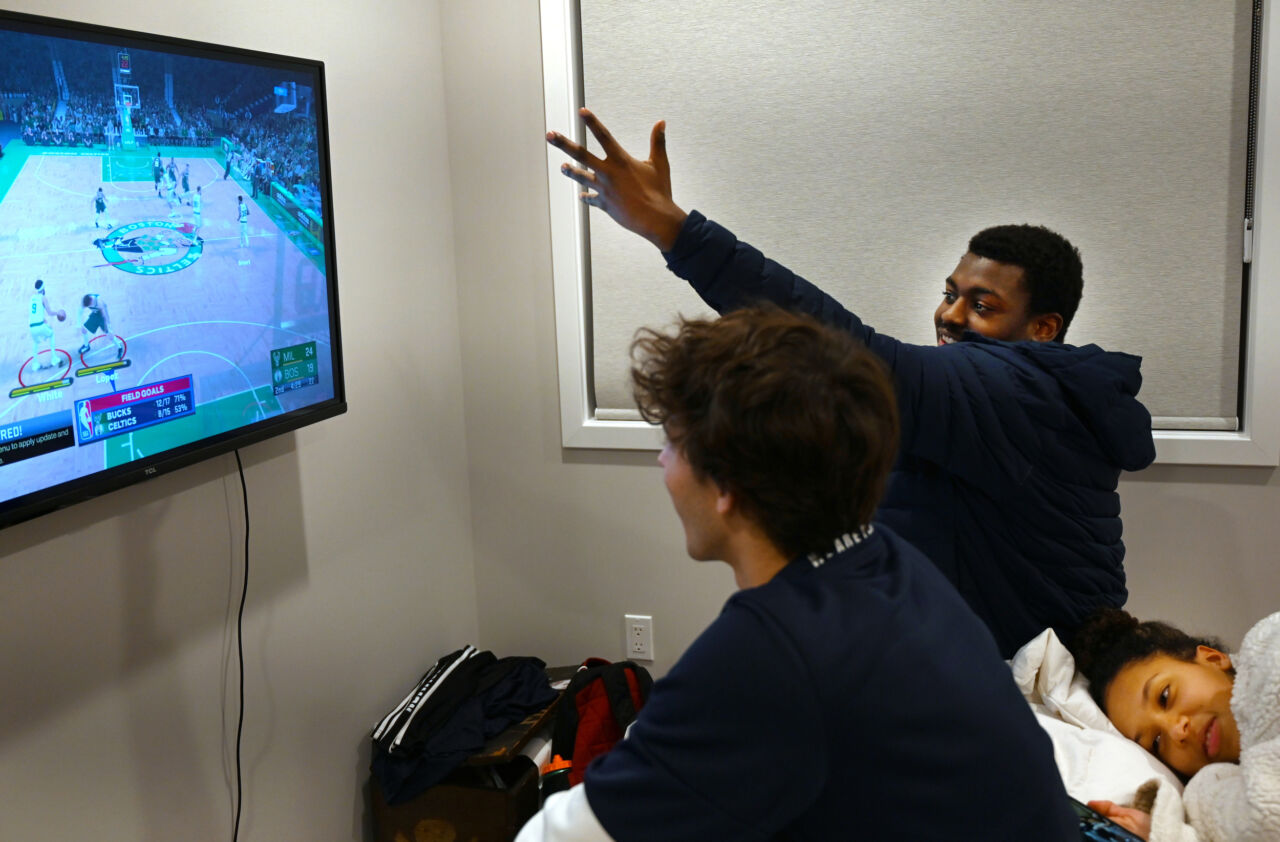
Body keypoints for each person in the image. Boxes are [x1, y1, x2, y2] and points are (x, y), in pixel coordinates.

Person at [546, 108, 1157, 657]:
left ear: (1044, 327)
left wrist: (675, 231)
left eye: (981, 305)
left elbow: (849, 356)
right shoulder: (998, 396)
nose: (949, 315)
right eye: (949, 294)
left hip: (1035, 679)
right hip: (983, 661)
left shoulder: (1017, 392)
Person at [515, 305, 1078, 841]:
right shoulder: (892, 564)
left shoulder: (772, 650)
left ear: (728, 484)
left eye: (672, 443)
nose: (662, 462)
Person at [1068, 608, 1280, 841]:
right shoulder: (1208, 797)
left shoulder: (1272, 652)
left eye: (1165, 696)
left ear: (1213, 658)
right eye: (1156, 742)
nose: (1176, 731)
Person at [27, 279, 63, 371]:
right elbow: (50, 312)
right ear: (43, 288)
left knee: (35, 342)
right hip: (40, 325)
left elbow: (33, 313)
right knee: (51, 334)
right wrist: (58, 313)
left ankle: (35, 364)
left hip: (31, 327)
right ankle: (54, 358)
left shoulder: (31, 298)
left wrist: (43, 319)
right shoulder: (43, 298)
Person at [78, 293, 124, 360]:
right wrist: (79, 325)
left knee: (110, 335)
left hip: (102, 317)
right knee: (83, 329)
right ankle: (86, 346)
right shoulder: (86, 301)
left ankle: (119, 347)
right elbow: (80, 311)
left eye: (89, 305)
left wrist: (109, 328)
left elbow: (106, 316)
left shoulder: (99, 302)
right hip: (95, 315)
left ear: (91, 301)